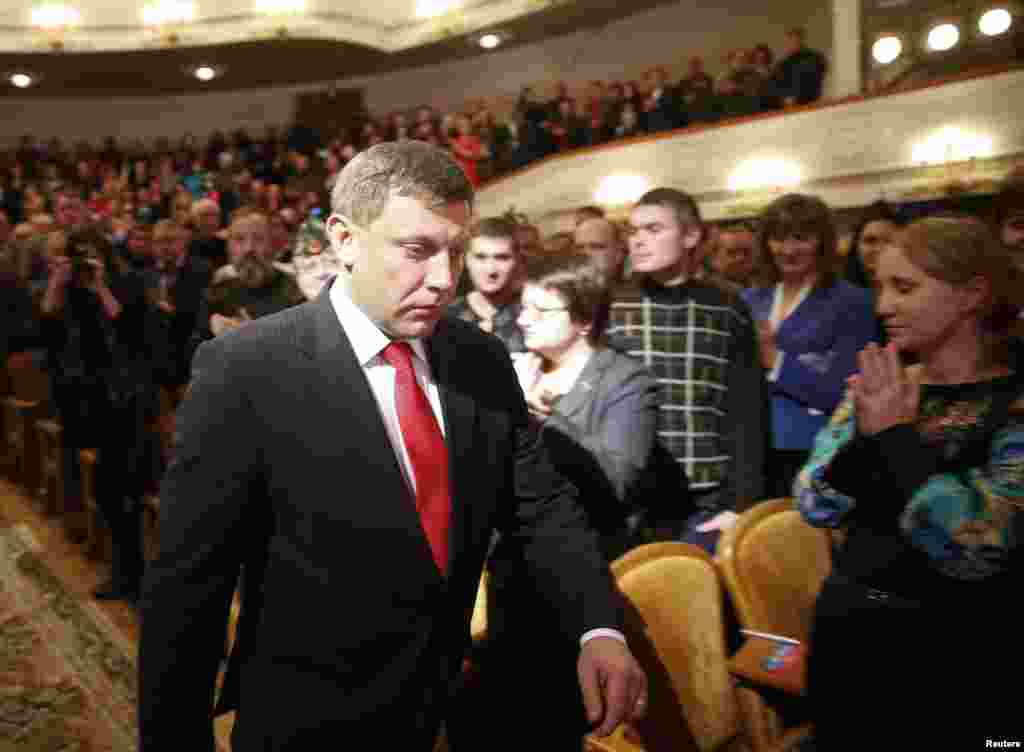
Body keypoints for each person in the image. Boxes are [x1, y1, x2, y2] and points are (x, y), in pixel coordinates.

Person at [138, 140, 647, 752]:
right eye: (416, 250)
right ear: (344, 240)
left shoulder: (478, 357)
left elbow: (539, 506)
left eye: (454, 253)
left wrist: (597, 627)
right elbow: (188, 587)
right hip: (309, 721)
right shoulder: (244, 369)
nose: (442, 279)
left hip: (451, 706)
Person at [795, 215, 1023, 749]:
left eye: (905, 287)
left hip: (964, 651)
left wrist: (896, 437)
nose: (883, 308)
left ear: (972, 293)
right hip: (853, 637)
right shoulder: (885, 385)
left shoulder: (1012, 401)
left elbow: (979, 546)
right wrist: (866, 438)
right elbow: (812, 501)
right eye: (880, 288)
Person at [606, 188, 768, 551]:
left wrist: (742, 502)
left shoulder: (727, 306)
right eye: (633, 232)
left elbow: (746, 411)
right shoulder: (611, 304)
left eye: (653, 229)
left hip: (707, 495)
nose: (639, 241)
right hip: (629, 495)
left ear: (691, 235)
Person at [41, 225, 167, 602]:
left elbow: (134, 333)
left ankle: (135, 577)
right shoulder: (68, 292)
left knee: (125, 489)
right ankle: (123, 571)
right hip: (88, 403)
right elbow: (46, 327)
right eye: (75, 254)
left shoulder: (125, 282)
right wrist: (58, 282)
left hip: (128, 404)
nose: (83, 262)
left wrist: (100, 288)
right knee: (108, 491)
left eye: (88, 252)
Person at [744, 194, 877, 496]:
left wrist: (774, 360)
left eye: (801, 238)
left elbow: (845, 393)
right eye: (778, 238)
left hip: (816, 452)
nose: (788, 250)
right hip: (752, 449)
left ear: (822, 242)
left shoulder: (851, 302)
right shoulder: (750, 299)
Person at [447, 217, 525, 353]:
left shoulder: (531, 313)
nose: (491, 270)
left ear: (517, 259)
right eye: (480, 257)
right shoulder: (446, 317)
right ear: (465, 259)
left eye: (502, 258)